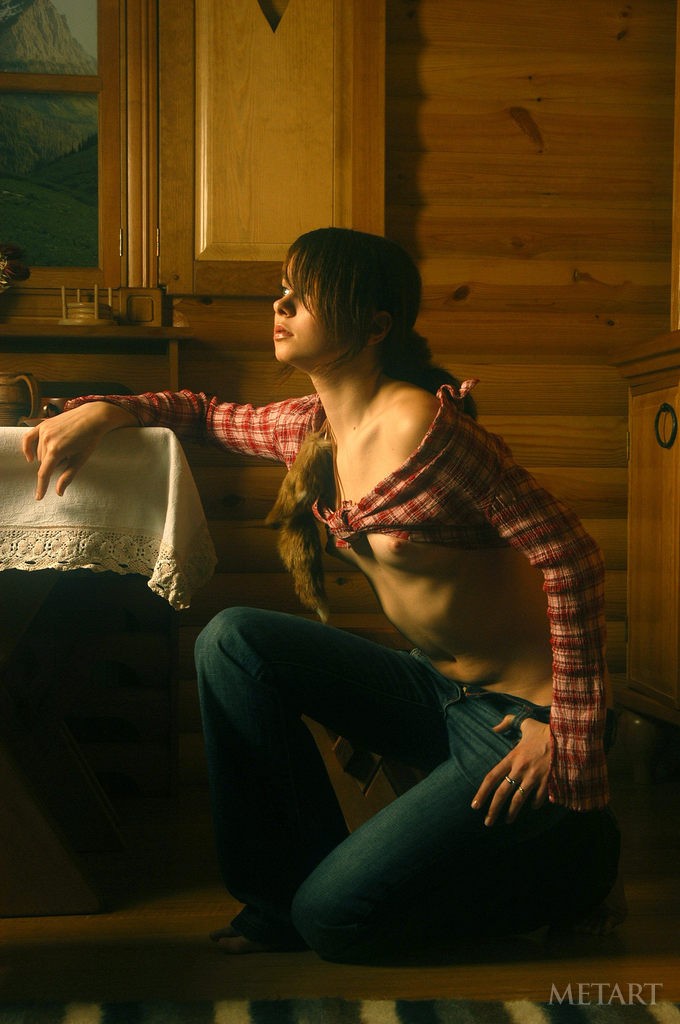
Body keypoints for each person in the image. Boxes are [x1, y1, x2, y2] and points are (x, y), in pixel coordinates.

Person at [22, 227, 622, 962]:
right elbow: (204, 415)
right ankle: (277, 905)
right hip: (433, 690)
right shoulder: (314, 428)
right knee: (233, 640)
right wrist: (108, 410)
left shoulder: (429, 432)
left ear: (374, 326)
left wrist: (566, 728)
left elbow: (572, 556)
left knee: (337, 922)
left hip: (519, 720)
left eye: (305, 294)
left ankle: (581, 864)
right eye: (284, 289)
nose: (281, 304)